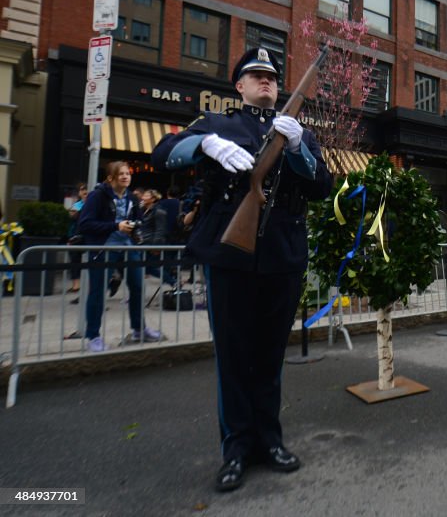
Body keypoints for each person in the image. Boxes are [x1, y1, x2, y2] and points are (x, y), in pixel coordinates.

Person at [151, 47, 332, 492]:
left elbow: (322, 186)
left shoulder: (299, 132)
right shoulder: (217, 124)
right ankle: (235, 449)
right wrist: (204, 145)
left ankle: (270, 441)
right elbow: (162, 152)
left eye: (271, 76)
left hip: (282, 255)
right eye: (256, 75)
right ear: (240, 86)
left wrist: (296, 151)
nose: (266, 81)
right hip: (231, 253)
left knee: (270, 357)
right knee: (233, 359)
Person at [76, 162, 159, 351]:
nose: (125, 177)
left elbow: (140, 220)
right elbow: (85, 224)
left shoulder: (131, 197)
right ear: (110, 178)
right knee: (98, 291)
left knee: (137, 287)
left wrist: (135, 226)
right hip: (104, 249)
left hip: (129, 248)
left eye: (127, 174)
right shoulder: (97, 196)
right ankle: (93, 336)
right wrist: (116, 226)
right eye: (120, 174)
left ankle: (139, 328)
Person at [66, 182, 88, 301]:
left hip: (88, 237)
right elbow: (71, 219)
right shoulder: (77, 205)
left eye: (86, 192)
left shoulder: (92, 205)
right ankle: (76, 284)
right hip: (75, 236)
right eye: (83, 192)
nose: (85, 194)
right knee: (74, 259)